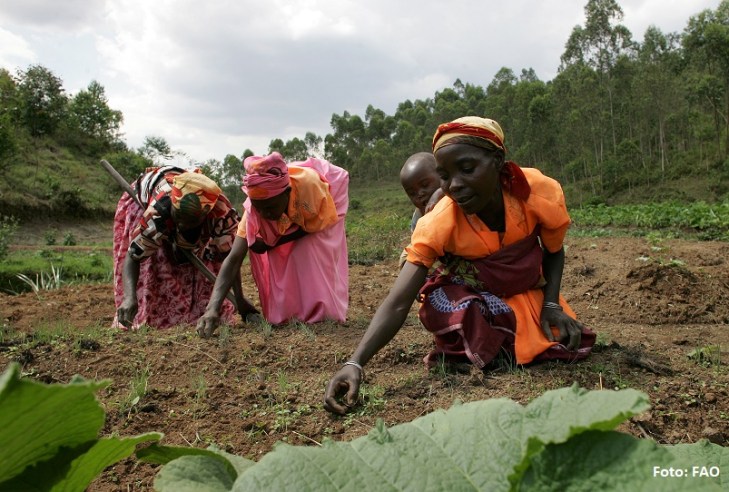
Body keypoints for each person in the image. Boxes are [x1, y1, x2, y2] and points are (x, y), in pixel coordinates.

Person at [324, 116, 596, 414]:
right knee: (448, 306)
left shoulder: (537, 193)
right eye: (445, 176)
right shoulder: (440, 220)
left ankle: (512, 335)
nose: (454, 186)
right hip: (476, 297)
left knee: (560, 340)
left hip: (527, 292)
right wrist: (355, 363)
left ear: (497, 160)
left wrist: (552, 305)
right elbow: (399, 301)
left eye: (467, 170)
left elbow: (554, 250)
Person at [196, 152, 349, 337]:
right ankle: (288, 314)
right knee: (279, 257)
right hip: (295, 212)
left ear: (287, 193)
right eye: (259, 208)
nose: (264, 214)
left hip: (324, 207)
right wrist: (213, 308)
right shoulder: (254, 211)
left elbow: (316, 224)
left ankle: (323, 311)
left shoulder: (309, 187)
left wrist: (273, 242)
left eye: (269, 207)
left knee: (307, 250)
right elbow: (234, 258)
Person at [113, 166, 255, 330]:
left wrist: (240, 298)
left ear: (204, 216)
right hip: (147, 201)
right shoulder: (159, 212)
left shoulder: (221, 215)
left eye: (189, 222)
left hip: (192, 216)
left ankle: (205, 313)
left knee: (206, 261)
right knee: (157, 265)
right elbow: (134, 256)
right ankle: (153, 319)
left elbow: (230, 259)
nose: (181, 225)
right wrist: (129, 297)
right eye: (178, 218)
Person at [398, 152, 444, 268]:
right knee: (405, 259)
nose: (420, 194)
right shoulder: (419, 216)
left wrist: (439, 193)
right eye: (412, 193)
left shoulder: (456, 197)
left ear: (442, 174)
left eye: (425, 185)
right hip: (434, 252)